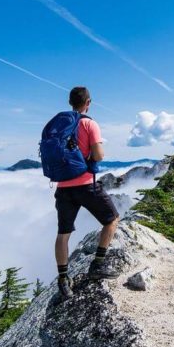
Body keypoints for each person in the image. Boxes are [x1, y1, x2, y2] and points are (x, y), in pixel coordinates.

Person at [54, 86, 121, 297]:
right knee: (112, 220)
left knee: (63, 234)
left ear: (70, 102)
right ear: (88, 103)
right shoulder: (89, 124)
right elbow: (98, 155)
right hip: (85, 184)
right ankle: (97, 265)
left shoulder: (59, 126)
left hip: (63, 187)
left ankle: (63, 280)